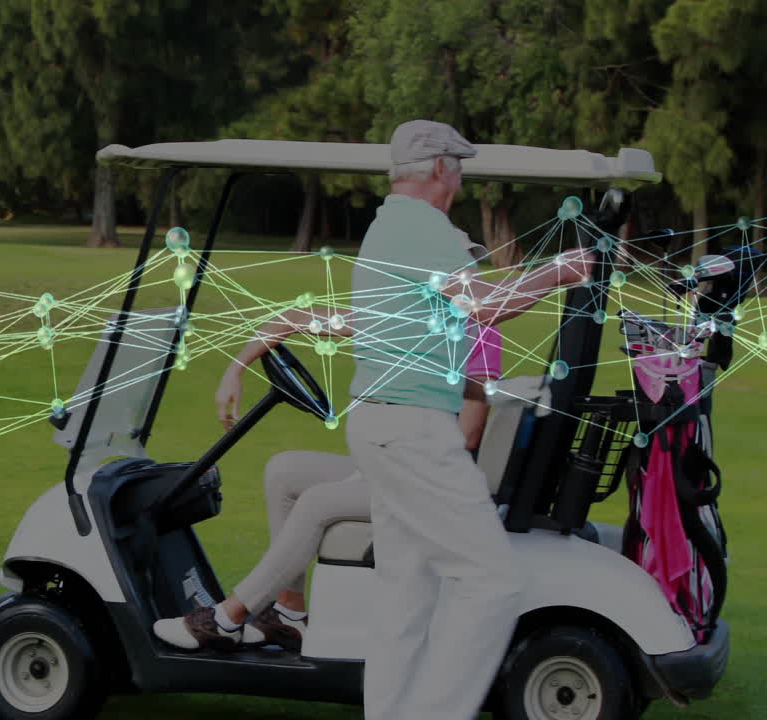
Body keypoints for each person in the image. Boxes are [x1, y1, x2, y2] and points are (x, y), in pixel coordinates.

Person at [346, 119, 594, 720]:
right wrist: (559, 270)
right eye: (457, 167)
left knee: (408, 591)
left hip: (382, 422)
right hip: (413, 427)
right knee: (492, 583)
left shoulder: (387, 225)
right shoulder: (421, 225)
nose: (459, 180)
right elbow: (485, 308)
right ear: (437, 169)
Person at [152, 231, 504, 652]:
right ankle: (289, 615)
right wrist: (237, 367)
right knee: (285, 470)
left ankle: (227, 618)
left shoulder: (481, 335)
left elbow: (467, 435)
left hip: (429, 484)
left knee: (319, 501)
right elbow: (296, 318)